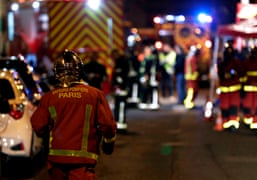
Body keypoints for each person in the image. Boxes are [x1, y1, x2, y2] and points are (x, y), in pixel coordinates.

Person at [31, 50, 117, 180]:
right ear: (79, 71)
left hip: (56, 163)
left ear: (57, 73)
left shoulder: (49, 98)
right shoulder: (94, 95)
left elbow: (38, 126)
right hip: (83, 164)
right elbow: (108, 125)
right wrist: (108, 142)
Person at [218, 46, 244, 130]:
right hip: (231, 90)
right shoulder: (231, 63)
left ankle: (228, 123)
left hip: (227, 90)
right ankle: (229, 124)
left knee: (228, 107)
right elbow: (241, 73)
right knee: (231, 107)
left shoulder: (223, 63)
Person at [111, 48, 130, 131]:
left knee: (121, 106)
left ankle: (121, 125)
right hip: (119, 88)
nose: (112, 58)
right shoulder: (119, 62)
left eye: (113, 56)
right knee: (118, 107)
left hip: (122, 88)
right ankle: (118, 124)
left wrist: (118, 85)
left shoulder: (122, 62)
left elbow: (121, 76)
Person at [138, 45, 160, 110]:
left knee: (154, 90)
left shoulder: (154, 58)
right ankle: (144, 103)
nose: (147, 51)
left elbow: (156, 68)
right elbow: (142, 68)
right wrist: (143, 75)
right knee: (144, 89)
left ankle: (154, 103)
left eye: (148, 49)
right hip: (146, 76)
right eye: (146, 50)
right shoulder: (144, 58)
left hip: (153, 77)